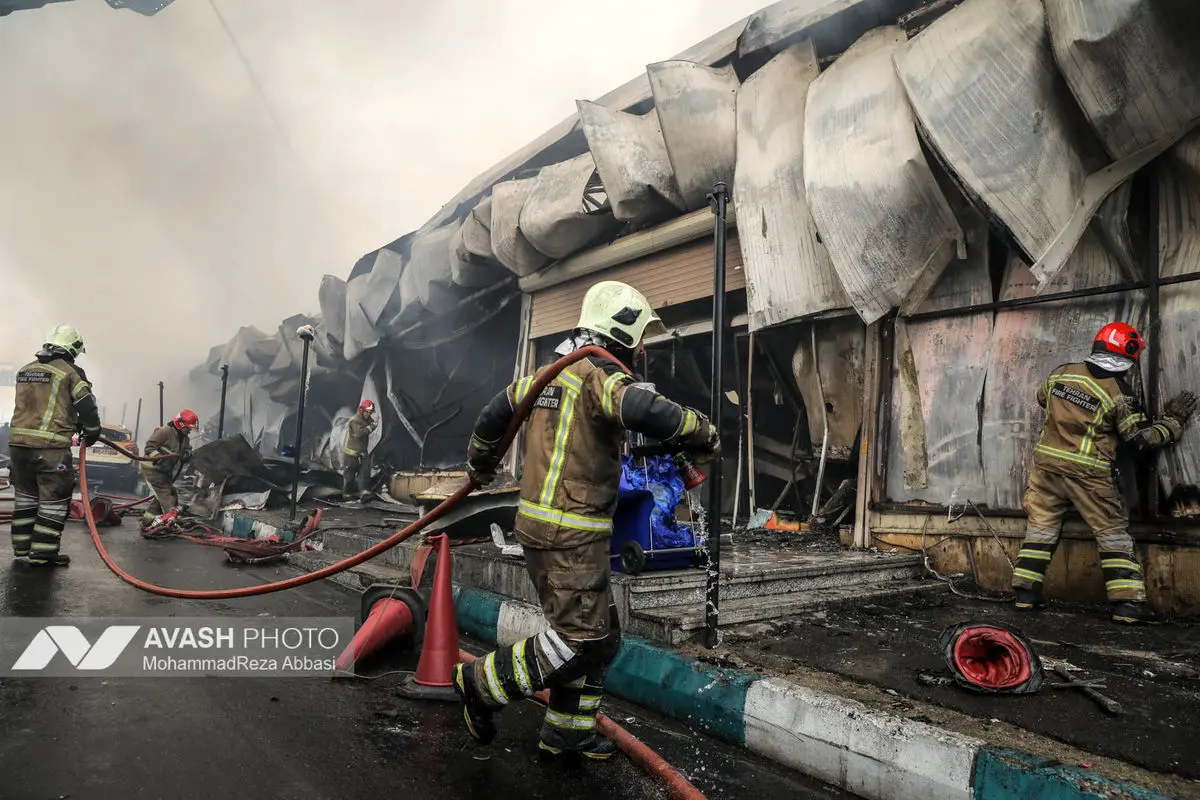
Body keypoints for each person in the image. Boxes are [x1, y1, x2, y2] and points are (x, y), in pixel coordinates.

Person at [453, 281, 719, 758]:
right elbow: (640, 406)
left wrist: (481, 462)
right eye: (641, 338)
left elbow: (496, 412)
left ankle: (567, 731)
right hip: (568, 534)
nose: (643, 349)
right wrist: (700, 428)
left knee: (602, 635)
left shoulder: (547, 376)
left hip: (554, 529)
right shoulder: (598, 377)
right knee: (582, 641)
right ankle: (480, 684)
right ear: (624, 334)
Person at [1012, 322, 1198, 624]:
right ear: (1129, 356)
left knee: (1041, 527)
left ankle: (1025, 594)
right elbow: (1139, 440)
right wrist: (1172, 422)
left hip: (1046, 469)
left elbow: (1042, 399)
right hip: (1088, 474)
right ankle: (1128, 603)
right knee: (1112, 532)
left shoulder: (1062, 373)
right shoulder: (1119, 393)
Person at [8, 325, 101, 567]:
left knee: (26, 498)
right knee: (53, 501)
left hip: (18, 448)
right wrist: (92, 430)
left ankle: (22, 548)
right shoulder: (69, 372)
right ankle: (43, 553)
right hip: (50, 449)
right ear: (73, 348)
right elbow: (86, 404)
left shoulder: (26, 370)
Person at [140, 409, 199, 529]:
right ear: (180, 424)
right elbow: (149, 448)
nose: (189, 431)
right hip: (152, 470)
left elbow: (187, 449)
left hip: (165, 471)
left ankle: (148, 519)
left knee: (171, 493)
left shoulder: (184, 437)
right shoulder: (164, 432)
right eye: (188, 428)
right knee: (167, 497)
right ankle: (170, 521)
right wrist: (159, 459)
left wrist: (187, 454)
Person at [342, 400, 377, 500]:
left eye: (370, 412)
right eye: (367, 412)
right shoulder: (354, 421)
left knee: (364, 472)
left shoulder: (367, 419)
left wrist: (375, 422)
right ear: (361, 410)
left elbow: (371, 422)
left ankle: (364, 493)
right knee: (350, 474)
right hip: (351, 452)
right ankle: (347, 494)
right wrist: (371, 427)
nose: (368, 414)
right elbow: (359, 434)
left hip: (362, 451)